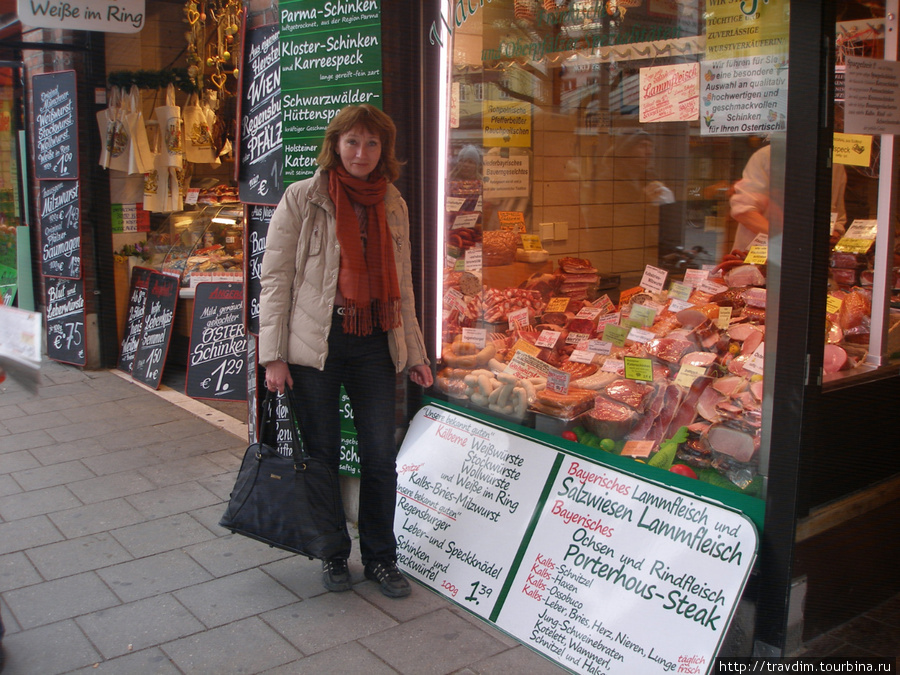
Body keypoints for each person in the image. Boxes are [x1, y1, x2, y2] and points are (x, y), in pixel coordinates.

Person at [258, 104, 433, 599]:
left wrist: (415, 352)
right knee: (323, 455)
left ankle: (380, 558)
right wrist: (272, 355)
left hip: (376, 339)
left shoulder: (392, 201)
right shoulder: (302, 198)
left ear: (384, 151)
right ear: (335, 144)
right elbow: (276, 280)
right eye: (353, 142)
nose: (362, 153)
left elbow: (403, 286)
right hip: (317, 344)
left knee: (380, 454)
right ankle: (333, 553)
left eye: (372, 144)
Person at [730, 143, 847, 252]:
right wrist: (791, 241)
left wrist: (834, 231)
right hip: (760, 255)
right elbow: (745, 211)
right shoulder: (767, 156)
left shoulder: (833, 164)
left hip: (810, 258)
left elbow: (835, 213)